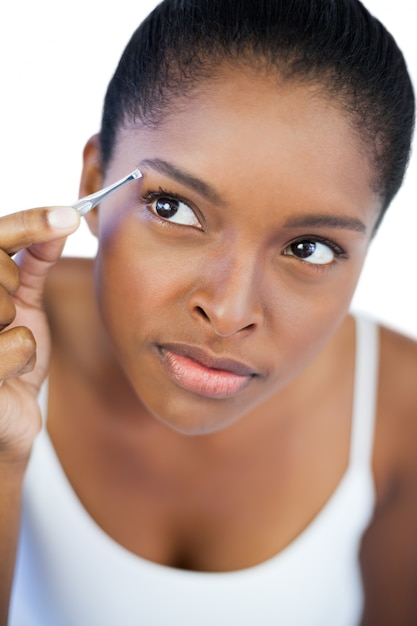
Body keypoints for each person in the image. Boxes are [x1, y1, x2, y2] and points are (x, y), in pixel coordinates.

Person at [1, 0, 416, 624]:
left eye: (310, 248)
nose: (227, 311)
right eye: (174, 208)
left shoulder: (403, 410)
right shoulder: (8, 344)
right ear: (93, 180)